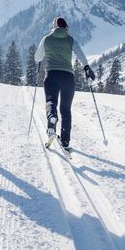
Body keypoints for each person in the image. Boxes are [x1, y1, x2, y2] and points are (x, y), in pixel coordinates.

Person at [34, 17, 95, 151]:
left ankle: (52, 118)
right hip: (68, 77)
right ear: (65, 26)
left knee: (51, 101)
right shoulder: (70, 39)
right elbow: (80, 54)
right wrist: (86, 68)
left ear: (54, 26)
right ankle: (65, 141)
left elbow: (37, 57)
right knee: (66, 109)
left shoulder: (46, 39)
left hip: (51, 75)